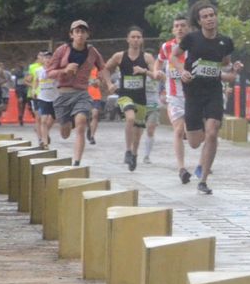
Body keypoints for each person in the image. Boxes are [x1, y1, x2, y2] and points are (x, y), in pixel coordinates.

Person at [179, 2, 243, 195]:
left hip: (214, 90)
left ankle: (204, 179)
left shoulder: (225, 42)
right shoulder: (191, 39)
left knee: (213, 131)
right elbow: (175, 57)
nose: (209, 19)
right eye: (205, 16)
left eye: (212, 15)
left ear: (216, 17)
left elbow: (226, 67)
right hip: (193, 91)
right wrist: (182, 70)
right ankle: (187, 127)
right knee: (194, 143)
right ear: (199, 21)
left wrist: (234, 70)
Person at [46, 20, 106, 166]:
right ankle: (67, 122)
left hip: (81, 93)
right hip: (63, 94)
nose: (80, 34)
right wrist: (64, 70)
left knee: (81, 123)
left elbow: (103, 68)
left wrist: (99, 80)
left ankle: (77, 161)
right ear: (71, 34)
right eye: (77, 31)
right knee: (65, 133)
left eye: (83, 32)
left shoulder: (92, 51)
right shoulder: (62, 50)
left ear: (87, 35)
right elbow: (49, 72)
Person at [102, 27, 157, 172]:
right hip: (125, 95)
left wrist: (144, 71)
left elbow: (156, 75)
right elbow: (106, 69)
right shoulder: (119, 56)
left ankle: (134, 154)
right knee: (130, 119)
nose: (136, 39)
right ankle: (127, 151)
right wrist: (109, 84)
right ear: (127, 39)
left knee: (138, 132)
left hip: (141, 97)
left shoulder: (147, 58)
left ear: (142, 40)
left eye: (139, 37)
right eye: (133, 37)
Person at [156, 15, 193, 184]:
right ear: (173, 30)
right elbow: (158, 62)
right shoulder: (166, 47)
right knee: (178, 130)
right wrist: (157, 72)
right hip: (174, 97)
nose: (179, 28)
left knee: (196, 136)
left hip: (194, 96)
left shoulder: (195, 46)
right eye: (176, 26)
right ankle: (182, 168)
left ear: (189, 28)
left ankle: (202, 162)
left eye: (183, 25)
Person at [29, 51, 55, 149]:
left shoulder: (55, 70)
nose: (48, 60)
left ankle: (46, 133)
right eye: (46, 58)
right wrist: (34, 90)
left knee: (53, 118)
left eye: (50, 58)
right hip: (42, 97)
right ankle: (45, 143)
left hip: (54, 97)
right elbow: (36, 81)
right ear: (42, 60)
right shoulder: (38, 70)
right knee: (43, 120)